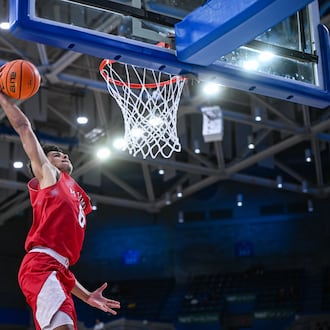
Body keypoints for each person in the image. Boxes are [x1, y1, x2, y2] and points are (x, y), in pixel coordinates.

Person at [0, 90, 120, 330]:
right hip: (40, 265)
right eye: (56, 155)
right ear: (44, 163)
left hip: (58, 269)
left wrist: (86, 296)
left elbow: (62, 265)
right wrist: (3, 97)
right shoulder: (49, 176)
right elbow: (24, 127)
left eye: (64, 153)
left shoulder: (75, 192)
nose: (63, 154)